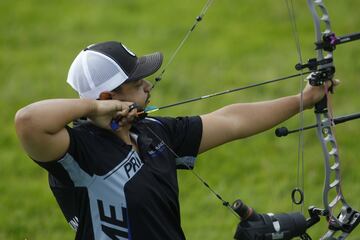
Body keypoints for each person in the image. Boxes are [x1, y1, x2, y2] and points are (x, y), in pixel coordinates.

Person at [14, 41, 335, 240]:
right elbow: (28, 121)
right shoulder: (78, 152)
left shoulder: (151, 131)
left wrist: (305, 99)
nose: (149, 86)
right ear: (108, 97)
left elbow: (231, 120)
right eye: (139, 83)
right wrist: (96, 109)